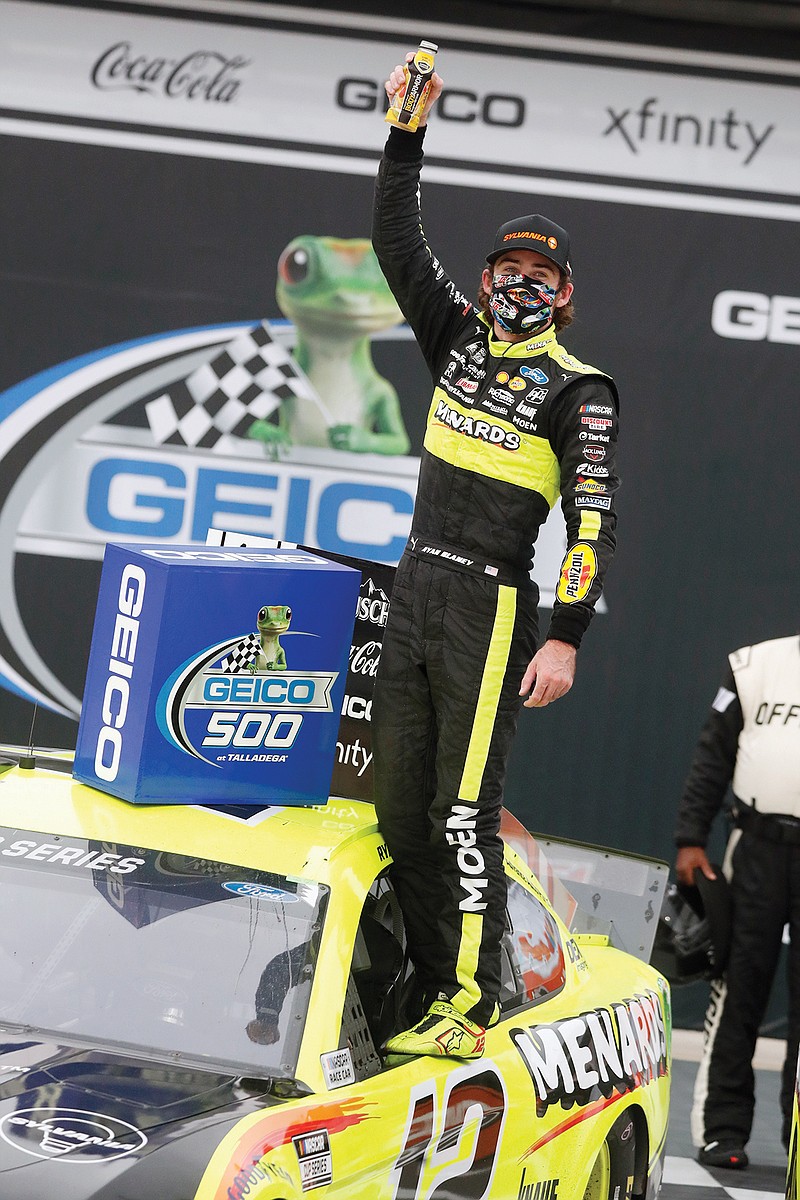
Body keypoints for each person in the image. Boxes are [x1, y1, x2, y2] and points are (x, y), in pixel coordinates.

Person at [371, 53, 620, 1059]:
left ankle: (470, 1004)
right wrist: (404, 133)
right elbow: (396, 237)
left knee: (460, 811)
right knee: (399, 809)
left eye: (541, 275)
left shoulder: (580, 390)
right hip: (414, 580)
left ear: (564, 295)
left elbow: (594, 522)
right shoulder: (455, 337)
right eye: (509, 269)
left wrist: (563, 640)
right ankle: (434, 985)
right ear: (487, 280)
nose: (522, 283)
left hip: (490, 606)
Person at [674, 633, 800, 1168]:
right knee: (737, 990)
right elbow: (712, 756)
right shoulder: (754, 665)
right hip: (755, 849)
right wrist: (690, 839)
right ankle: (722, 1131)